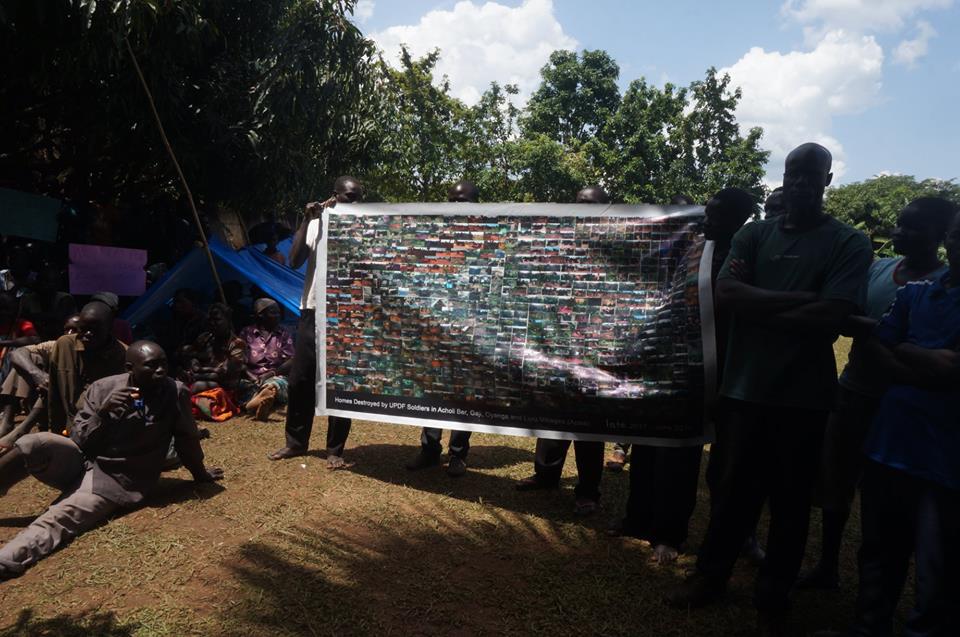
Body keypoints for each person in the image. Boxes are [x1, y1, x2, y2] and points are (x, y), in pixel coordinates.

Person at [666, 143, 873, 634]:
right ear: (783, 174)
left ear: (827, 180)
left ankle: (773, 595)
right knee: (732, 492)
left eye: (811, 174)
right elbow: (727, 293)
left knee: (790, 502)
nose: (800, 182)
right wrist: (803, 300)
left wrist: (762, 304)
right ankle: (711, 576)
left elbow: (834, 314)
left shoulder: (848, 242)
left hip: (804, 398)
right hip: (743, 389)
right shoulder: (755, 234)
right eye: (793, 172)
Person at [815, 208, 960, 637]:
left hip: (946, 455)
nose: (958, 244)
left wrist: (908, 351)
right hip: (891, 440)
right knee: (879, 546)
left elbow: (948, 367)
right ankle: (868, 627)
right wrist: (922, 362)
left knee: (938, 561)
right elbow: (877, 340)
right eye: (957, 234)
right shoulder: (916, 292)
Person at [0, 341, 224, 579]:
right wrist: (103, 414)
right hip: (83, 460)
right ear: (130, 368)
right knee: (32, 443)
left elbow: (187, 439)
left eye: (163, 364)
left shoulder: (174, 392)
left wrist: (200, 473)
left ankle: (7, 559)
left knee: (59, 517)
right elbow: (78, 439)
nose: (160, 371)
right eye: (151, 366)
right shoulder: (103, 388)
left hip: (115, 479)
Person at [616, 188, 756, 564]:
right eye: (708, 212)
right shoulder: (695, 250)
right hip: (668, 364)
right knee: (647, 445)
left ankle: (669, 534)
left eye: (718, 215)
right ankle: (636, 519)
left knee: (680, 455)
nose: (707, 220)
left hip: (709, 372)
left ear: (739, 220)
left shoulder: (744, 258)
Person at [514, 185, 613, 514]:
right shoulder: (560, 242)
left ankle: (588, 490)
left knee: (588, 425)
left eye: (592, 205)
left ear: (605, 209)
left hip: (592, 350)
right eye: (580, 203)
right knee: (553, 414)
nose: (584, 209)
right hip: (556, 345)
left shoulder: (613, 248)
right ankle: (546, 475)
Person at [269, 176, 362, 469]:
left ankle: (335, 450)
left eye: (358, 197)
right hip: (313, 309)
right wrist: (307, 220)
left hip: (347, 315)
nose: (355, 202)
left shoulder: (365, 228)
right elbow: (295, 260)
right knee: (301, 379)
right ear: (334, 196)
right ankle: (295, 443)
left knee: (341, 382)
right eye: (349, 196)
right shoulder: (317, 222)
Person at [406, 181, 480, 477]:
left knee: (463, 394)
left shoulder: (485, 241)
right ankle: (429, 450)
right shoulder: (434, 238)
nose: (456, 206)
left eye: (463, 200)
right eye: (452, 200)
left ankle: (458, 454)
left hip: (469, 332)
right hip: (436, 330)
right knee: (433, 391)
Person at [23, 302, 128, 434]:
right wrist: (54, 430)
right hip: (69, 426)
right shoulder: (65, 345)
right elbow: (55, 394)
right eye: (83, 329)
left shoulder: (123, 355)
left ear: (109, 328)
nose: (88, 334)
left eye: (95, 330)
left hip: (101, 428)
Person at [0, 314, 80, 444]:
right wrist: (37, 374)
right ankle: (7, 421)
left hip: (67, 408)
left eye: (75, 330)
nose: (70, 333)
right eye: (67, 329)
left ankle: (23, 428)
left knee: (55, 380)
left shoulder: (90, 351)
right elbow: (17, 353)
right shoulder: (57, 345)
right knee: (29, 360)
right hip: (43, 400)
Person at [179, 303, 245, 421]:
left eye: (217, 320)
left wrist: (198, 371)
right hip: (203, 378)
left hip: (225, 386)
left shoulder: (237, 344)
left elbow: (225, 373)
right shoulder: (206, 338)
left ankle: (180, 408)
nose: (212, 323)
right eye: (210, 320)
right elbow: (190, 354)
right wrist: (194, 362)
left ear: (228, 320)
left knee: (196, 388)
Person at [239, 298, 294, 421]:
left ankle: (258, 400)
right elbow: (239, 360)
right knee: (243, 386)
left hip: (276, 375)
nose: (278, 316)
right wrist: (252, 377)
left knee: (276, 384)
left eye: (278, 312)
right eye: (273, 312)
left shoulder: (283, 333)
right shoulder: (247, 333)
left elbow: (291, 360)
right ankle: (260, 400)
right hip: (251, 377)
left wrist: (271, 374)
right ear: (260, 315)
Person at [19, 265, 77, 341]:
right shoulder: (28, 299)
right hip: (35, 340)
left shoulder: (64, 298)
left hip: (60, 339)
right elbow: (22, 320)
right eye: (42, 280)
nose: (45, 285)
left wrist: (34, 317)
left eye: (50, 281)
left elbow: (59, 317)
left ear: (58, 284)